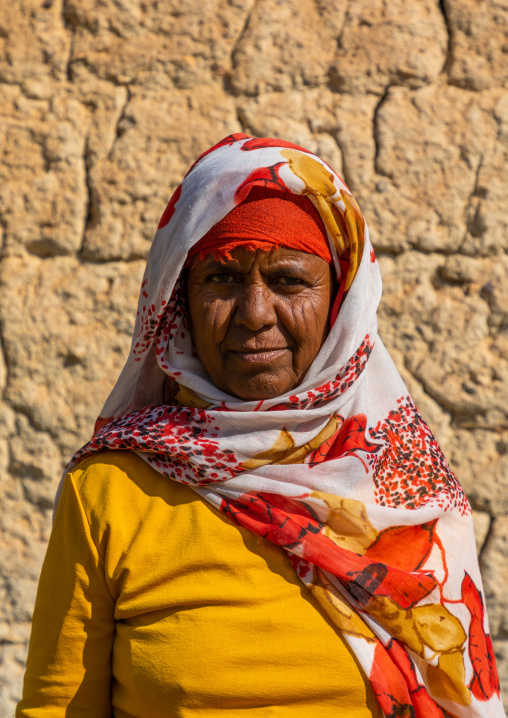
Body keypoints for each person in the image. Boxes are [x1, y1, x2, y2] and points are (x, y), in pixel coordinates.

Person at [17, 134, 503, 717]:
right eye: (221, 278)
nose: (255, 313)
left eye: (289, 280)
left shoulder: (405, 490)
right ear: (180, 301)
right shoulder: (109, 493)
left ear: (341, 302)